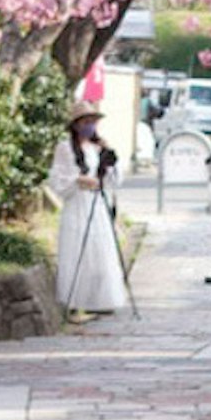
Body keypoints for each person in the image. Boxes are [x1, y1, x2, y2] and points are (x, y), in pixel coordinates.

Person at [51, 109, 129, 314]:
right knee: (76, 249)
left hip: (96, 202)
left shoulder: (98, 147)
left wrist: (110, 158)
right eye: (86, 121)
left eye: (93, 122)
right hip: (77, 202)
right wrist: (77, 180)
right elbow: (57, 178)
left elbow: (114, 178)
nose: (90, 126)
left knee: (99, 249)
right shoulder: (65, 148)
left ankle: (100, 300)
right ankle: (75, 300)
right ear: (76, 124)